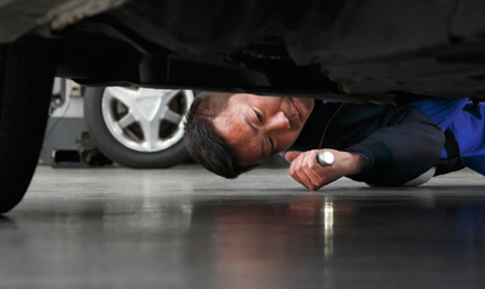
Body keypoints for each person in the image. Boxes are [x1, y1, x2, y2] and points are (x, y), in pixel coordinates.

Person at [184, 93, 485, 190]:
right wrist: (352, 161)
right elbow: (424, 138)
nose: (282, 124)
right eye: (272, 144)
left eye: (258, 116)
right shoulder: (325, 145)